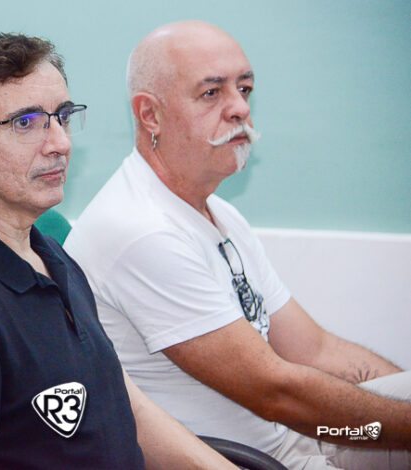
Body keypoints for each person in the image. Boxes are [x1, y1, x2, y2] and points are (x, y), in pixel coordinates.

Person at [0, 32, 236, 469]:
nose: (60, 143)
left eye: (62, 117)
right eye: (25, 123)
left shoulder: (48, 255)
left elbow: (129, 409)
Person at [64, 21, 411, 470]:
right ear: (150, 114)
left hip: (307, 441)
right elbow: (276, 391)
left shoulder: (218, 213)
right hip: (259, 461)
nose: (240, 108)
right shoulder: (140, 231)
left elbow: (316, 350)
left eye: (244, 89)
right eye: (212, 93)